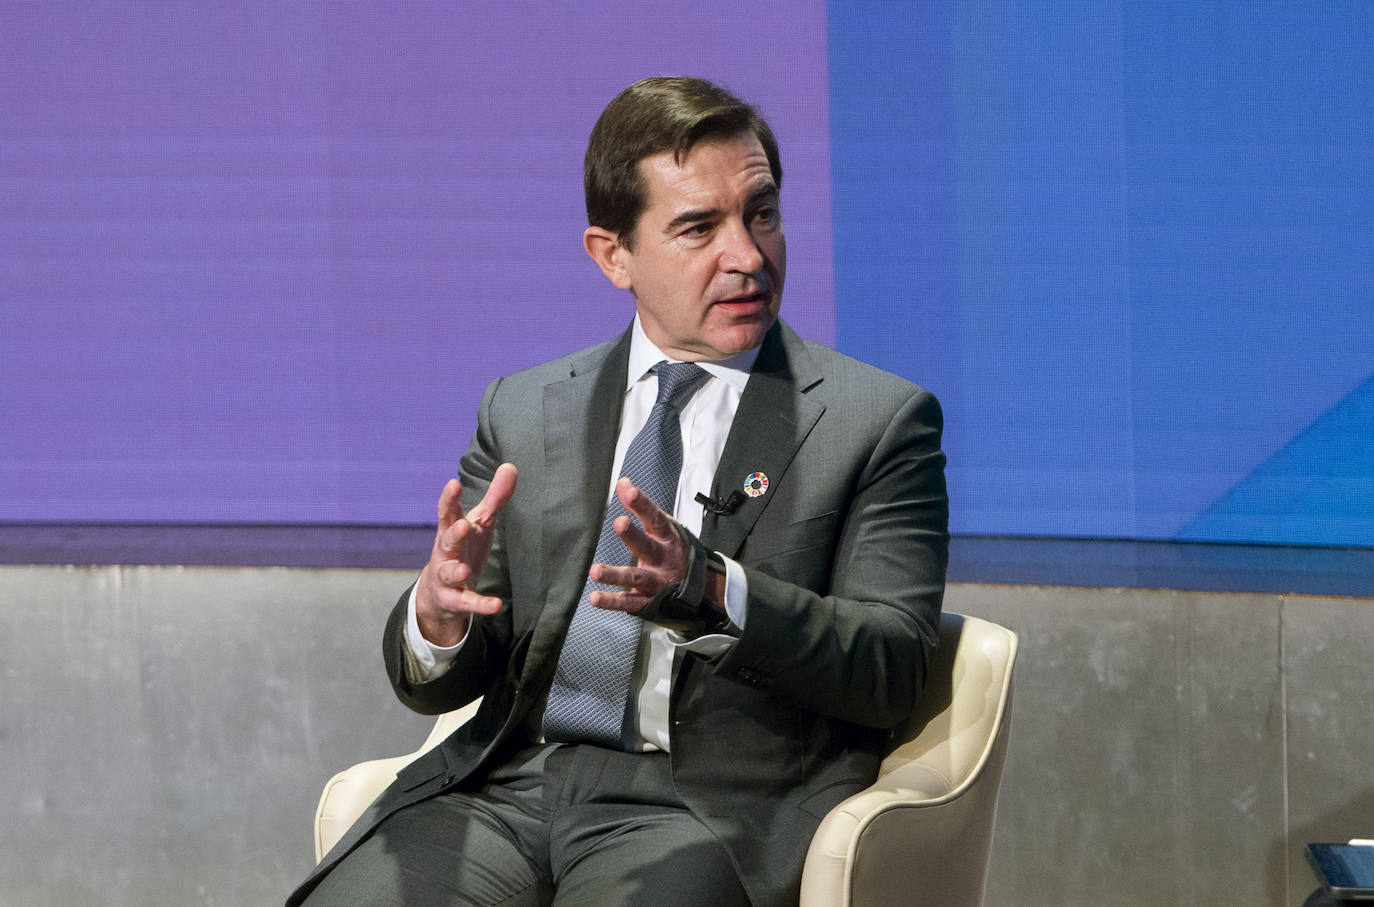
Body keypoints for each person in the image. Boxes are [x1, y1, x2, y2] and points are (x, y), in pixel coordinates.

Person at [290, 76, 948, 907]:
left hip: (700, 807)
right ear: (613, 255)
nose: (748, 255)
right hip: (511, 784)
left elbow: (895, 665)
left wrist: (712, 589)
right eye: (699, 228)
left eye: (762, 215)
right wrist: (439, 615)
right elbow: (445, 680)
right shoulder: (526, 409)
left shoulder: (873, 422)